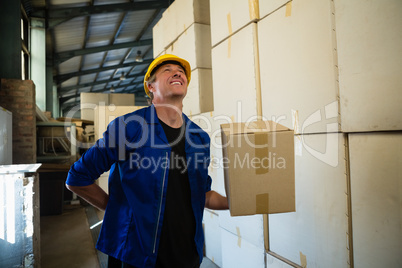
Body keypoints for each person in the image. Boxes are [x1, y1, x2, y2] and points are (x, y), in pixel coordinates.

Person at [66, 54, 229, 268]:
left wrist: (241, 202)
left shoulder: (198, 138)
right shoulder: (129, 127)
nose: (177, 72)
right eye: (167, 70)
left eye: (181, 71)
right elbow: (77, 178)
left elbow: (203, 194)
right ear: (150, 86)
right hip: (135, 255)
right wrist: (120, 212)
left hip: (186, 254)